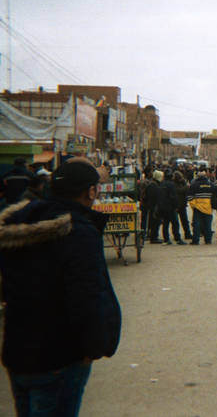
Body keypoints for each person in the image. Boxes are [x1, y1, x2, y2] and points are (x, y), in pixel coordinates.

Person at [0, 158, 122, 416]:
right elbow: (87, 297)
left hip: (18, 352)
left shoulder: (18, 225)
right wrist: (94, 346)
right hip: (59, 356)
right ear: (91, 191)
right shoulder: (78, 232)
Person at [187, 168, 217, 245]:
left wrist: (194, 205)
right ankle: (208, 240)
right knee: (208, 225)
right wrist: (213, 206)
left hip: (197, 208)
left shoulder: (194, 185)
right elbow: (215, 197)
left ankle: (195, 240)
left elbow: (189, 196)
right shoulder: (211, 185)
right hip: (208, 208)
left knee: (196, 225)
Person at [155, 170, 184, 245]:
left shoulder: (161, 184)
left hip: (163, 207)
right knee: (175, 223)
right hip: (171, 207)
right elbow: (173, 197)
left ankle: (166, 239)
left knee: (165, 223)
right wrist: (176, 206)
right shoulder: (171, 185)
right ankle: (177, 238)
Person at [173, 171, 193, 242]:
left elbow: (186, 192)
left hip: (182, 204)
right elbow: (178, 191)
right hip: (176, 204)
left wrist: (185, 184)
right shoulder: (174, 184)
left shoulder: (182, 182)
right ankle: (177, 235)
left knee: (184, 220)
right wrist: (186, 187)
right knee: (175, 221)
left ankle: (187, 233)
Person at [146, 170, 164, 244]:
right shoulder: (154, 185)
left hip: (154, 206)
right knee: (155, 222)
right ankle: (154, 238)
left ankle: (154, 237)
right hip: (154, 207)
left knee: (155, 222)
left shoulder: (153, 184)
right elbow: (154, 197)